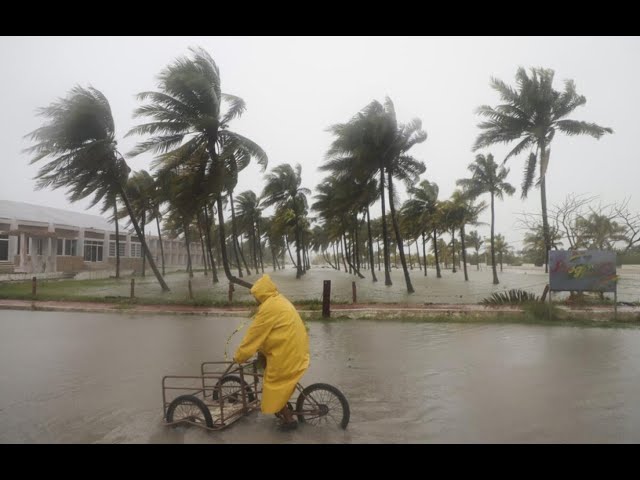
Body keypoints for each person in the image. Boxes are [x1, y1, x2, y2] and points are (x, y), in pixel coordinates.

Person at [233, 274, 310, 430]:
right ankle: (283, 406)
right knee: (271, 371)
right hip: (297, 349)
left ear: (261, 294)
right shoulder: (280, 300)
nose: (255, 300)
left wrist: (239, 357)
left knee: (272, 386)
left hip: (287, 354)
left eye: (256, 296)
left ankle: (289, 421)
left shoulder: (268, 308)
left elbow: (253, 336)